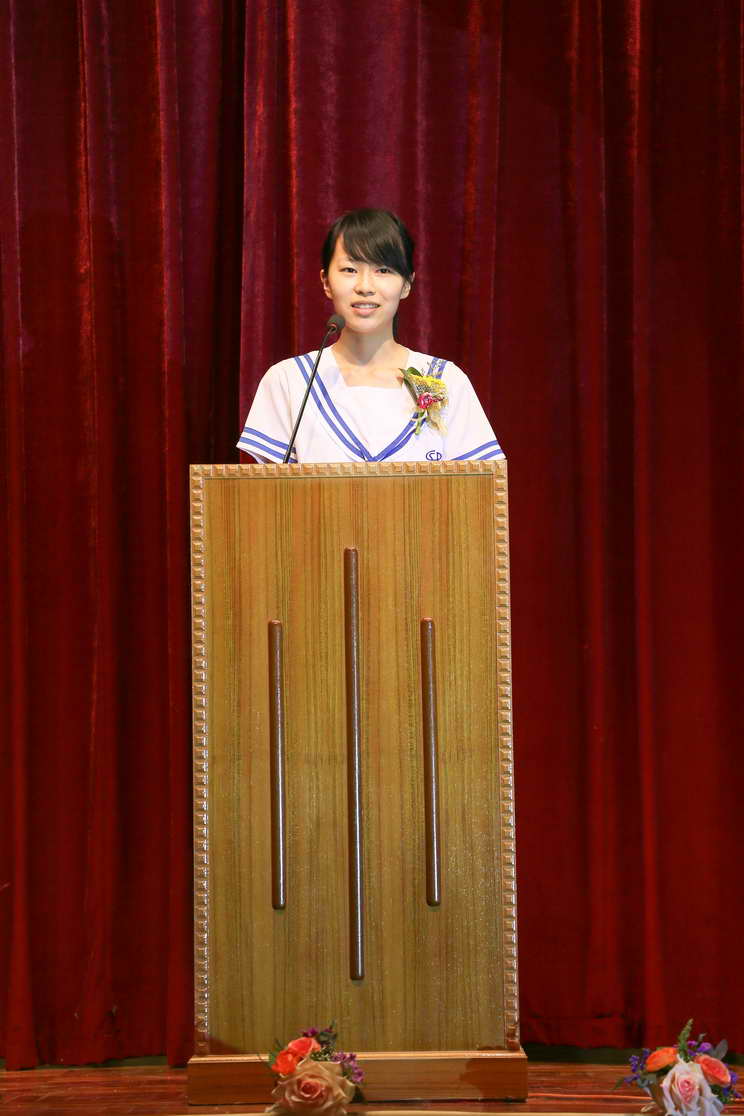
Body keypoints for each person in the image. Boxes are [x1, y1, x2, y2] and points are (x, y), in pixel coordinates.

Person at [237, 209, 504, 464]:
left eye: (383, 270)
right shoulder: (289, 380)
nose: (365, 286)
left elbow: (477, 486)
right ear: (326, 281)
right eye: (349, 270)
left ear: (407, 284)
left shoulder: (445, 380)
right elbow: (269, 492)